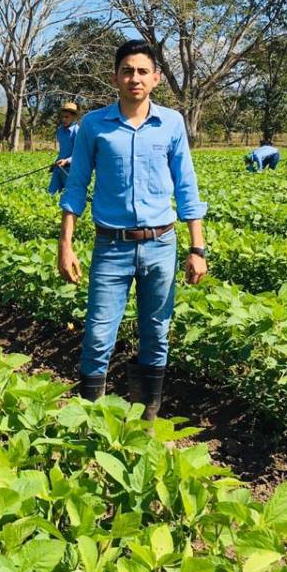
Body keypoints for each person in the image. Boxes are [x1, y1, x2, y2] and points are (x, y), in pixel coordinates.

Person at [57, 39, 208, 420]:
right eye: (127, 71)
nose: (134, 78)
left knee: (156, 334)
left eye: (142, 71)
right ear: (115, 78)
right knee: (98, 335)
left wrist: (197, 247)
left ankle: (146, 422)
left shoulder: (171, 123)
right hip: (111, 246)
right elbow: (76, 186)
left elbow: (186, 185)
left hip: (160, 244)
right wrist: (66, 244)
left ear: (156, 78)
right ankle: (93, 426)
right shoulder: (94, 125)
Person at [48, 102, 80, 197]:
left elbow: (80, 153)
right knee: (51, 193)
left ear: (74, 117)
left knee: (70, 195)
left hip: (71, 169)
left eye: (67, 117)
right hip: (59, 166)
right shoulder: (60, 130)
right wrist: (55, 163)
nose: (64, 119)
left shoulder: (77, 131)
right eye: (62, 117)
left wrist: (67, 161)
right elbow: (63, 151)